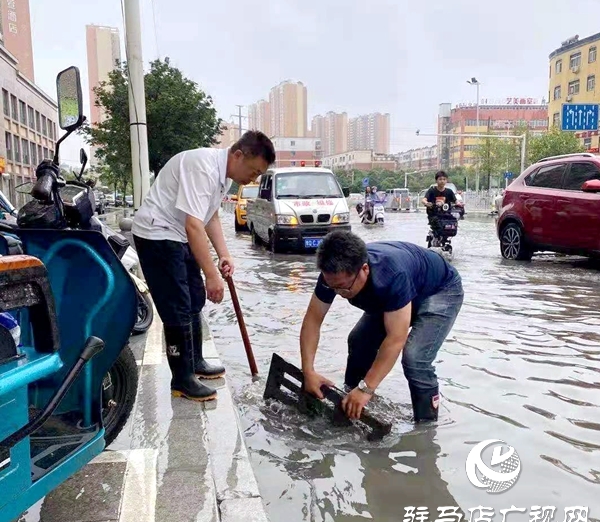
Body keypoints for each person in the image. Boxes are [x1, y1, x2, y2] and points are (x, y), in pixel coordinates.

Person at [132, 131, 276, 402]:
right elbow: (194, 224)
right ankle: (182, 379)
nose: (254, 179)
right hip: (157, 235)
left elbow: (209, 218)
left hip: (178, 234)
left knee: (194, 297)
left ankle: (195, 361)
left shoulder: (223, 177)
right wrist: (212, 275)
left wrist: (224, 255)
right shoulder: (203, 168)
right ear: (238, 155)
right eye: (254, 170)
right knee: (177, 307)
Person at [299, 231, 463, 422]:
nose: (338, 293)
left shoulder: (391, 276)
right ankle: (351, 404)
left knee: (415, 358)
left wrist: (366, 388)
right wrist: (308, 371)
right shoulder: (332, 276)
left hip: (439, 290)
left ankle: (425, 427)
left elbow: (395, 339)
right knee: (359, 341)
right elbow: (312, 321)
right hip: (402, 289)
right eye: (333, 288)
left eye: (343, 288)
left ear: (364, 269)